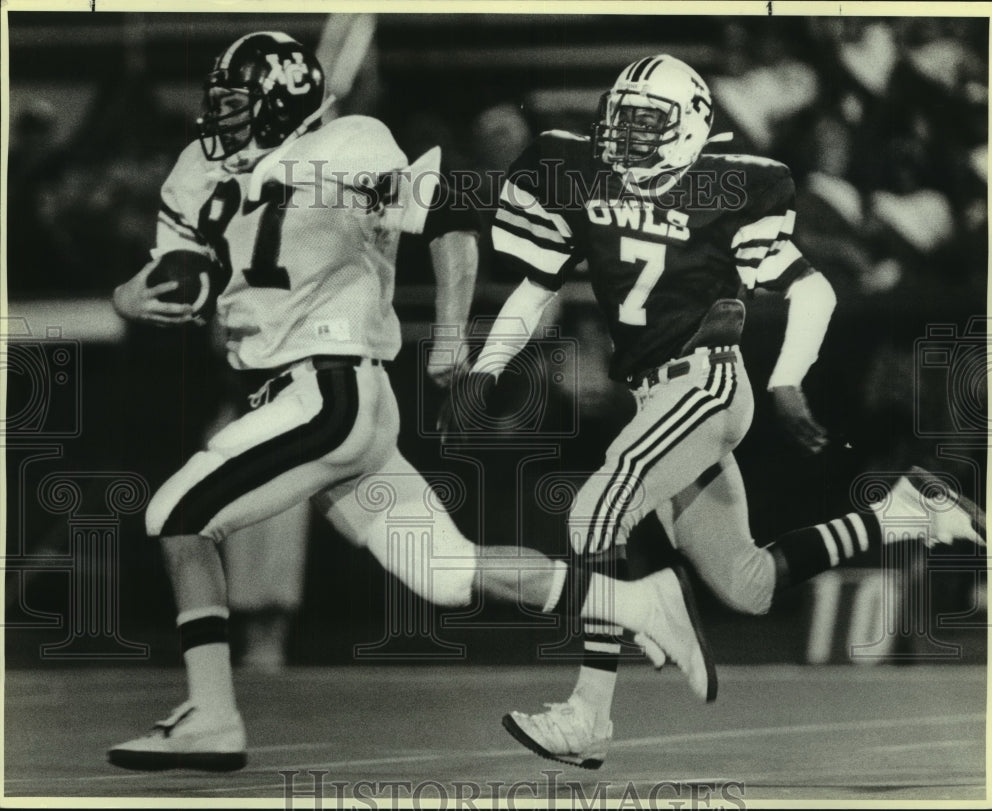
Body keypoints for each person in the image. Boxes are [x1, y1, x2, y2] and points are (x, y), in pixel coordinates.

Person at [105, 33, 715, 772]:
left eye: (237, 105)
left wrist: (451, 332)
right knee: (449, 572)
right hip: (310, 404)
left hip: (328, 389)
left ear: (281, 104)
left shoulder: (350, 143)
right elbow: (167, 274)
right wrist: (132, 294)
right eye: (218, 105)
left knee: (175, 514)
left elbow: (450, 220)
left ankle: (212, 714)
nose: (221, 120)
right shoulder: (199, 170)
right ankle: (639, 601)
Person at [456, 54, 985, 769]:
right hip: (655, 396)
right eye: (623, 119)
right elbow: (535, 284)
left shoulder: (728, 186)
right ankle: (904, 514)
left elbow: (815, 290)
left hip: (704, 385)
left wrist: (787, 379)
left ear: (689, 127)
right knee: (748, 584)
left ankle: (589, 713)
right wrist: (484, 368)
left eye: (649, 122)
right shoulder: (577, 174)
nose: (629, 135)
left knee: (592, 513)